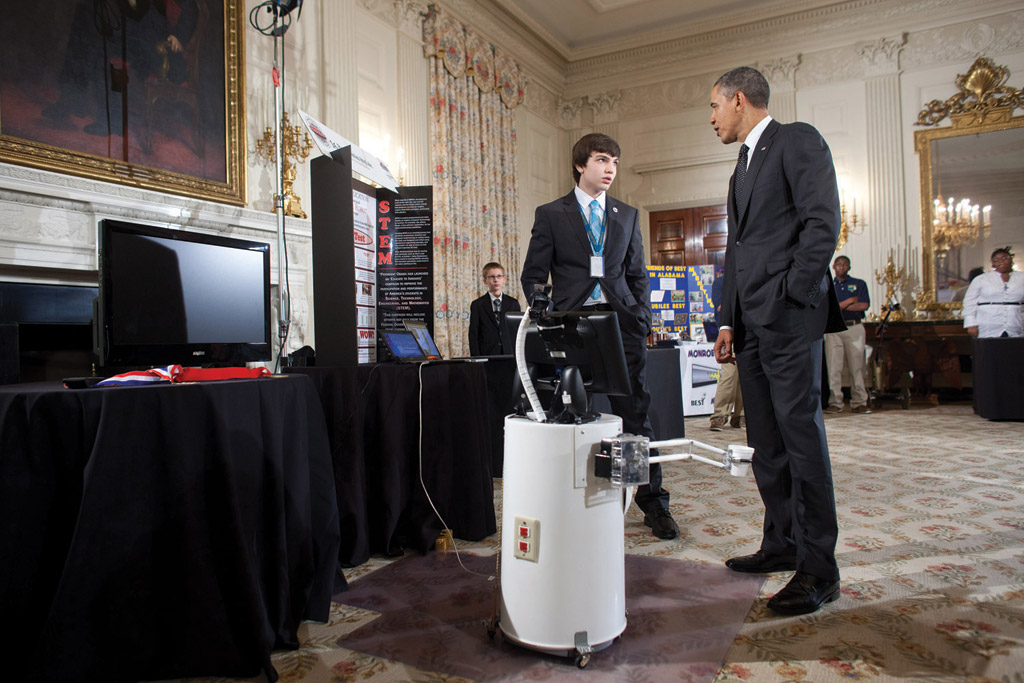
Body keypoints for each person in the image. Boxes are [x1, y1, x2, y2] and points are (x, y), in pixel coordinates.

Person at [709, 66, 845, 615]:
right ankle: (782, 543)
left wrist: (794, 294)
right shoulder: (740, 167)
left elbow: (822, 221)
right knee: (767, 444)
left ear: (738, 101)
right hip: (750, 326)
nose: (711, 119)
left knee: (801, 439)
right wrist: (726, 320)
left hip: (788, 318)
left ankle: (820, 568)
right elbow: (737, 252)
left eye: (714, 107)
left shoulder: (797, 139)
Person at [521, 132, 679, 540]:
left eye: (615, 162)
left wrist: (641, 316)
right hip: (571, 327)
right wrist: (542, 313)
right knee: (569, 415)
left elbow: (637, 274)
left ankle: (654, 503)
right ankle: (569, 503)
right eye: (602, 160)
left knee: (637, 415)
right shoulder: (551, 214)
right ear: (580, 164)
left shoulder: (626, 215)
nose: (610, 169)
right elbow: (535, 274)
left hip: (621, 325)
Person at [824, 255, 871, 414]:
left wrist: (841, 306)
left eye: (844, 264)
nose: (841, 267)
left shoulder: (858, 284)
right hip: (833, 330)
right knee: (833, 367)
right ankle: (835, 402)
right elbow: (829, 307)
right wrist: (850, 301)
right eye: (838, 264)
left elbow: (864, 305)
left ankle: (859, 402)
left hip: (854, 328)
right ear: (834, 267)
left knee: (857, 366)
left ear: (849, 267)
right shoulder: (829, 285)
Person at [963, 247, 1024, 338]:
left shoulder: (1022, 277)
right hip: (988, 323)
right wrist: (971, 323)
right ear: (992, 264)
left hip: (1016, 322)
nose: (1001, 261)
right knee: (990, 350)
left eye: (1005, 258)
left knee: (1015, 349)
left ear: (1011, 259)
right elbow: (969, 302)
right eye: (997, 260)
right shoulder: (981, 279)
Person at [709, 274, 744, 431]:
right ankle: (719, 415)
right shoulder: (721, 282)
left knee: (746, 374)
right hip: (729, 331)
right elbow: (720, 307)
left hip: (748, 328)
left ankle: (741, 415)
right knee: (729, 374)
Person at [468, 262, 521, 356]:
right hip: (487, 353)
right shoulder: (477, 304)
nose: (496, 280)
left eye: (499, 276)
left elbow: (518, 331)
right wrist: (476, 358)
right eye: (491, 277)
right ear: (485, 281)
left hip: (509, 353)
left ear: (504, 279)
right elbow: (473, 334)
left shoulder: (513, 303)